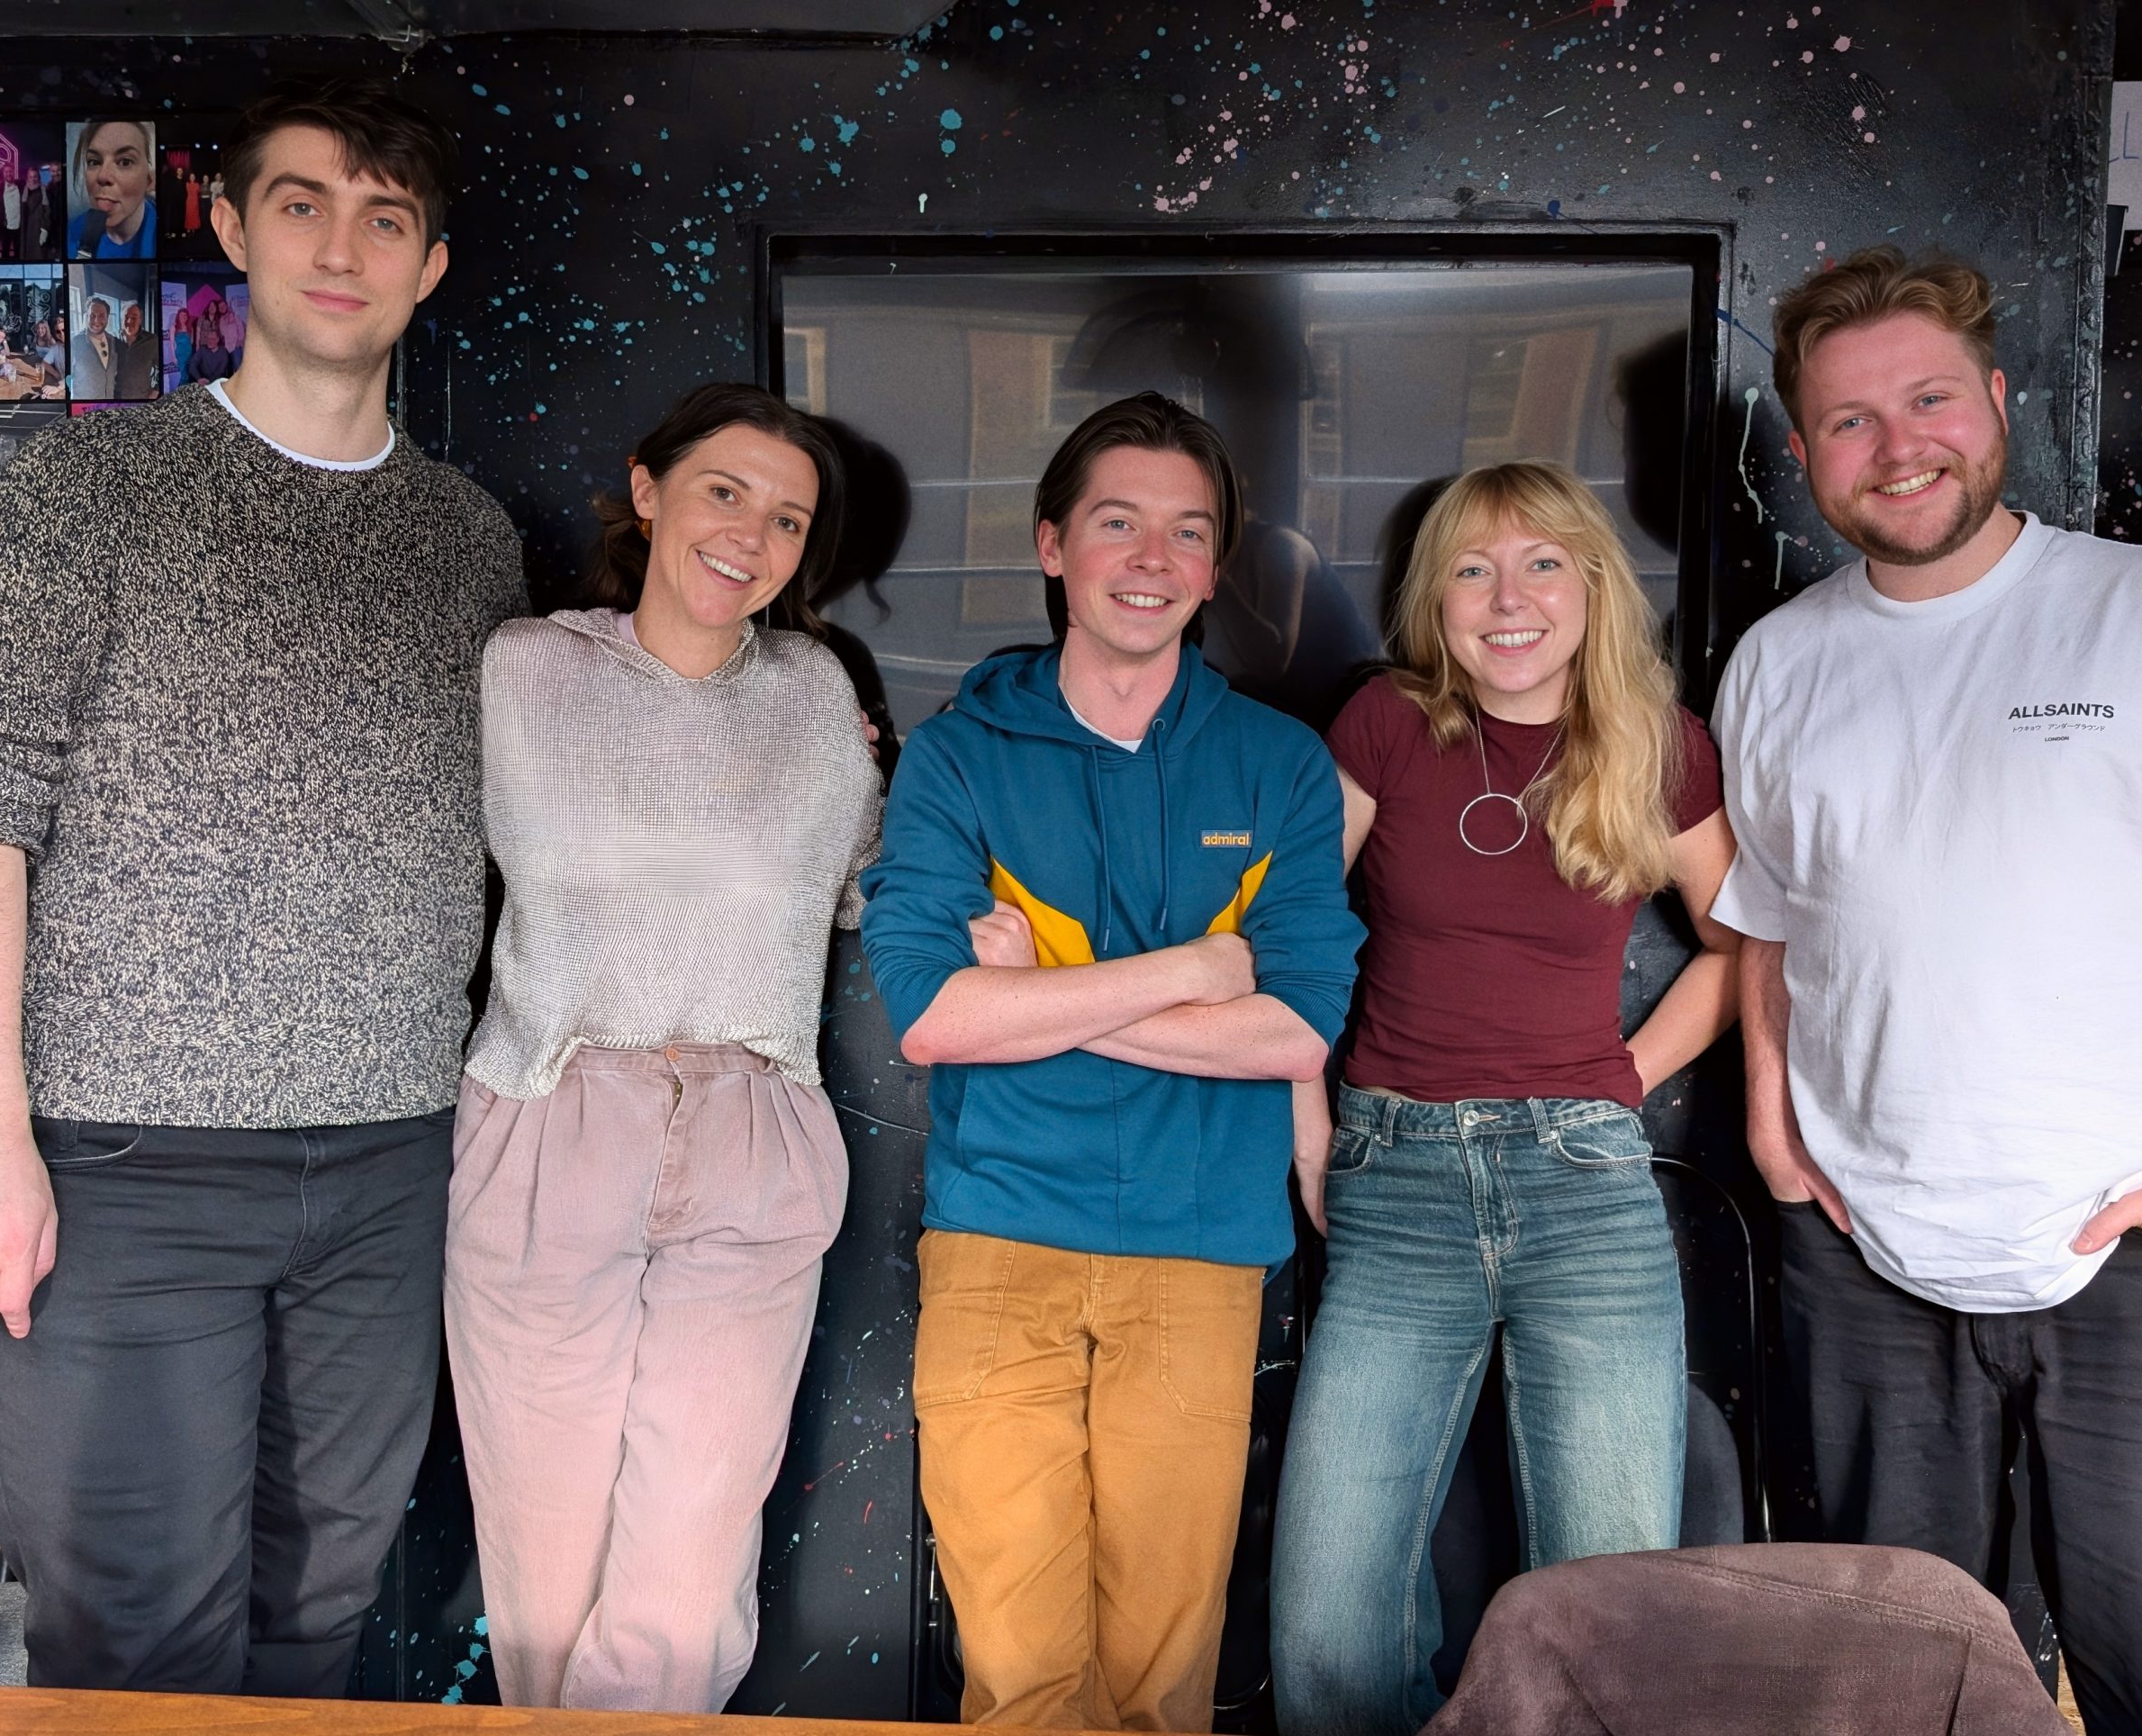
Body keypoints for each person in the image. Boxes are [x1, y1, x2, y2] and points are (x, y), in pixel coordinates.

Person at [0, 74, 526, 1695]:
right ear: (228, 229)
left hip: (394, 1157)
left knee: (321, 1614)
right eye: (302, 204)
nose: (342, 248)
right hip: (124, 1164)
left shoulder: (471, 540)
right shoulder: (87, 492)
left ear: (429, 267)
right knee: (136, 1639)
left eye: (385, 219)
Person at [1712, 245, 2142, 1736]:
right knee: (1892, 1688)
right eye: (1850, 420)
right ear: (1804, 452)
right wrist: (1771, 1128)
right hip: (1867, 1261)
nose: (1899, 446)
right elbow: (1771, 918)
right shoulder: (1777, 664)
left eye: (1930, 400)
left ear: (2001, 400)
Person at [861, 392, 1364, 1733]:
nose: (1152, 559)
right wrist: (1199, 968)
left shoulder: (1279, 766)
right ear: (1051, 546)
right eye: (1117, 523)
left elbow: (1297, 1030)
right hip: (999, 1245)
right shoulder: (959, 756)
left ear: (1213, 565)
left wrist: (1040, 994)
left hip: (1201, 1256)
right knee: (1019, 1678)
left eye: (1187, 531)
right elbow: (933, 1017)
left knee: (1160, 1683)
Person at [1269, 460, 1741, 1736]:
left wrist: (1621, 1080)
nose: (1508, 597)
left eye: (1542, 564)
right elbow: (1291, 935)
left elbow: (1743, 945)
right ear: (1437, 599)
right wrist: (1310, 1125)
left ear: (1593, 586)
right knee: (1328, 1628)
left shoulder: (1658, 744)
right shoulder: (1384, 724)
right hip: (1395, 1180)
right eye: (1472, 570)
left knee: (1613, 1613)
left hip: (1586, 1190)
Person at [446, 383, 881, 1713]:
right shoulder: (523, 669)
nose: (752, 535)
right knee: (544, 1578)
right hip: (549, 1119)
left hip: (755, 1133)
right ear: (649, 491)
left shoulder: (818, 695)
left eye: (788, 518)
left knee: (686, 1586)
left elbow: (868, 881)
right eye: (724, 492)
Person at [68, 119, 158, 260]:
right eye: (94, 162)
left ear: (150, 180)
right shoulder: (73, 232)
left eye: (125, 162)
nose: (102, 176)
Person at [66, 297, 121, 401]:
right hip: (85, 406)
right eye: (92, 315)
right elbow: (67, 377)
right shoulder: (75, 343)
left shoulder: (114, 341)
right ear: (86, 316)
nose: (96, 320)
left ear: (107, 318)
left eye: (101, 316)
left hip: (109, 404)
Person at [114, 300, 155, 400]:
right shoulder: (113, 340)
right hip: (116, 399)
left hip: (141, 399)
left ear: (140, 319)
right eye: (126, 317)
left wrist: (157, 389)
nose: (129, 322)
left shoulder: (152, 341)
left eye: (134, 318)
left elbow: (161, 366)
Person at [186, 313, 234, 384]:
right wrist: (199, 378)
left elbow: (221, 370)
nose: (209, 341)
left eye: (212, 339)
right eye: (208, 339)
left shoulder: (223, 351)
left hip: (218, 383)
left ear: (217, 340)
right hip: (202, 383)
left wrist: (209, 381)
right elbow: (192, 364)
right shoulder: (202, 350)